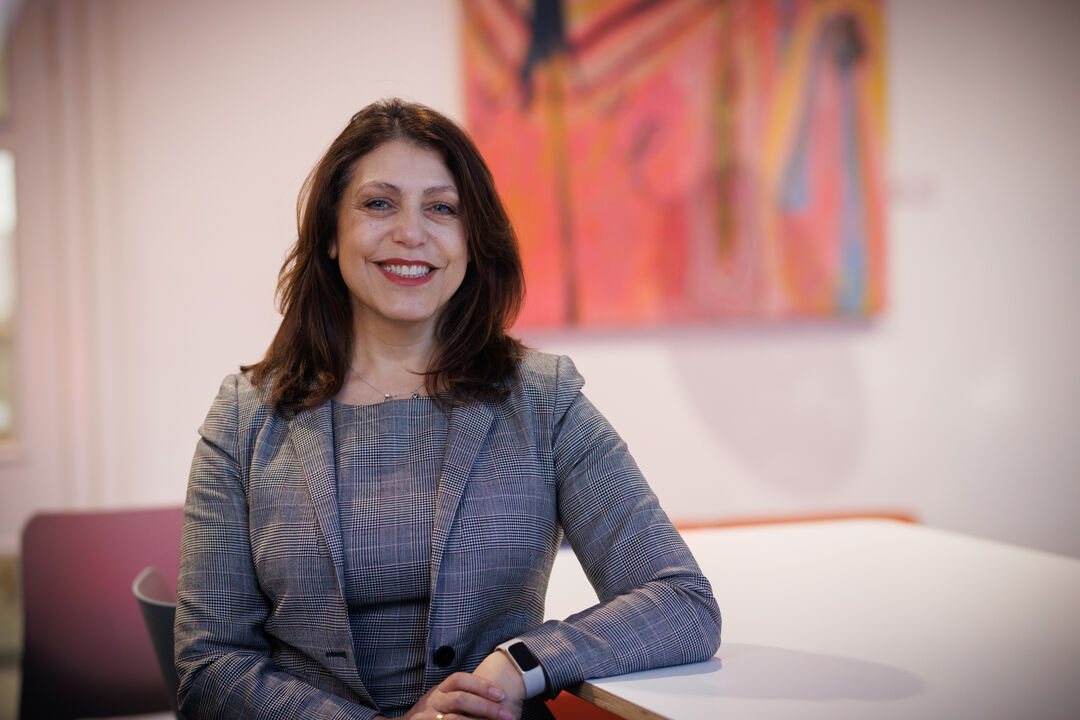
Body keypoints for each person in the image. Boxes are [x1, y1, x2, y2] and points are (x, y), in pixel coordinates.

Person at [175, 98, 721, 720]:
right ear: (330, 234)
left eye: (442, 208)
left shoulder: (543, 399)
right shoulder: (246, 417)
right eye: (379, 203)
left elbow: (681, 603)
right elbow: (210, 667)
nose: (412, 232)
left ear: (471, 240)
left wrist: (521, 664)